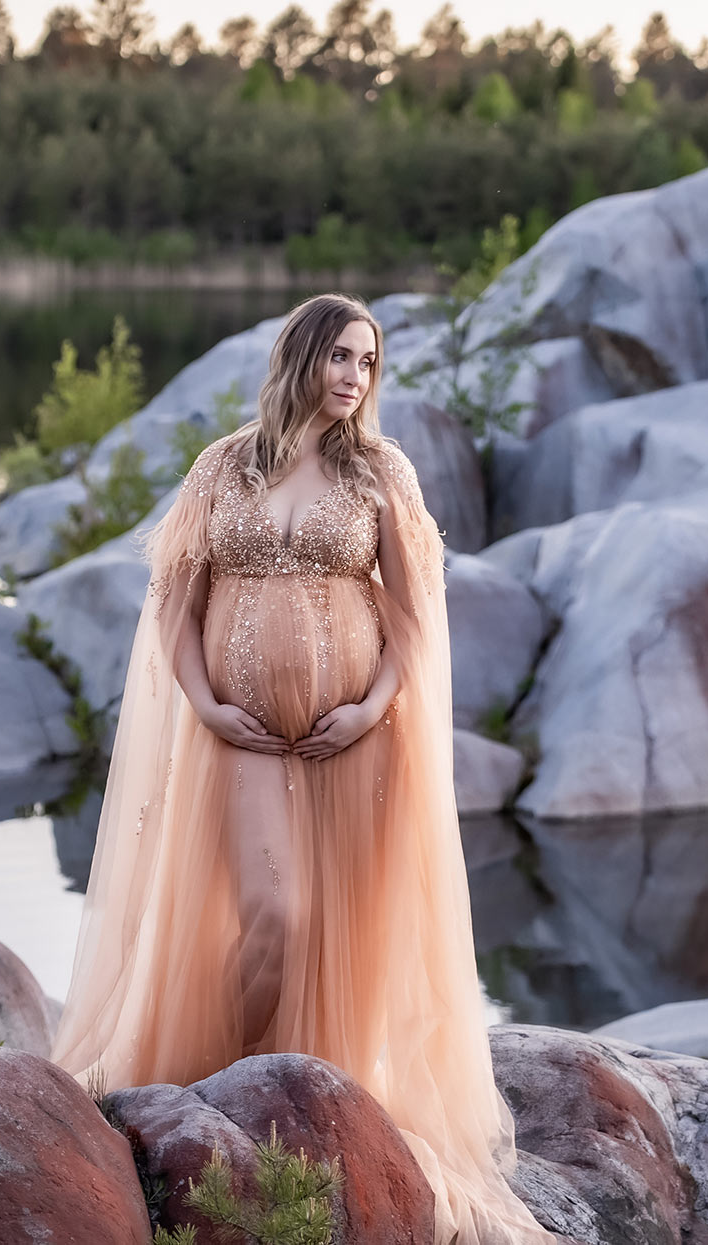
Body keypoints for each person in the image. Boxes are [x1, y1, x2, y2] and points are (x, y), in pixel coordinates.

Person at [51, 292, 554, 1244]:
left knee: (340, 934)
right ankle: (231, 1090)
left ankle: (305, 1101)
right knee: (275, 919)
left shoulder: (381, 472)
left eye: (369, 362)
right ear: (302, 357)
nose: (356, 378)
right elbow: (174, 601)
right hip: (238, 736)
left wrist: (370, 707)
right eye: (342, 358)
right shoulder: (224, 466)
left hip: (351, 741)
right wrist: (204, 702)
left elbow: (413, 614)